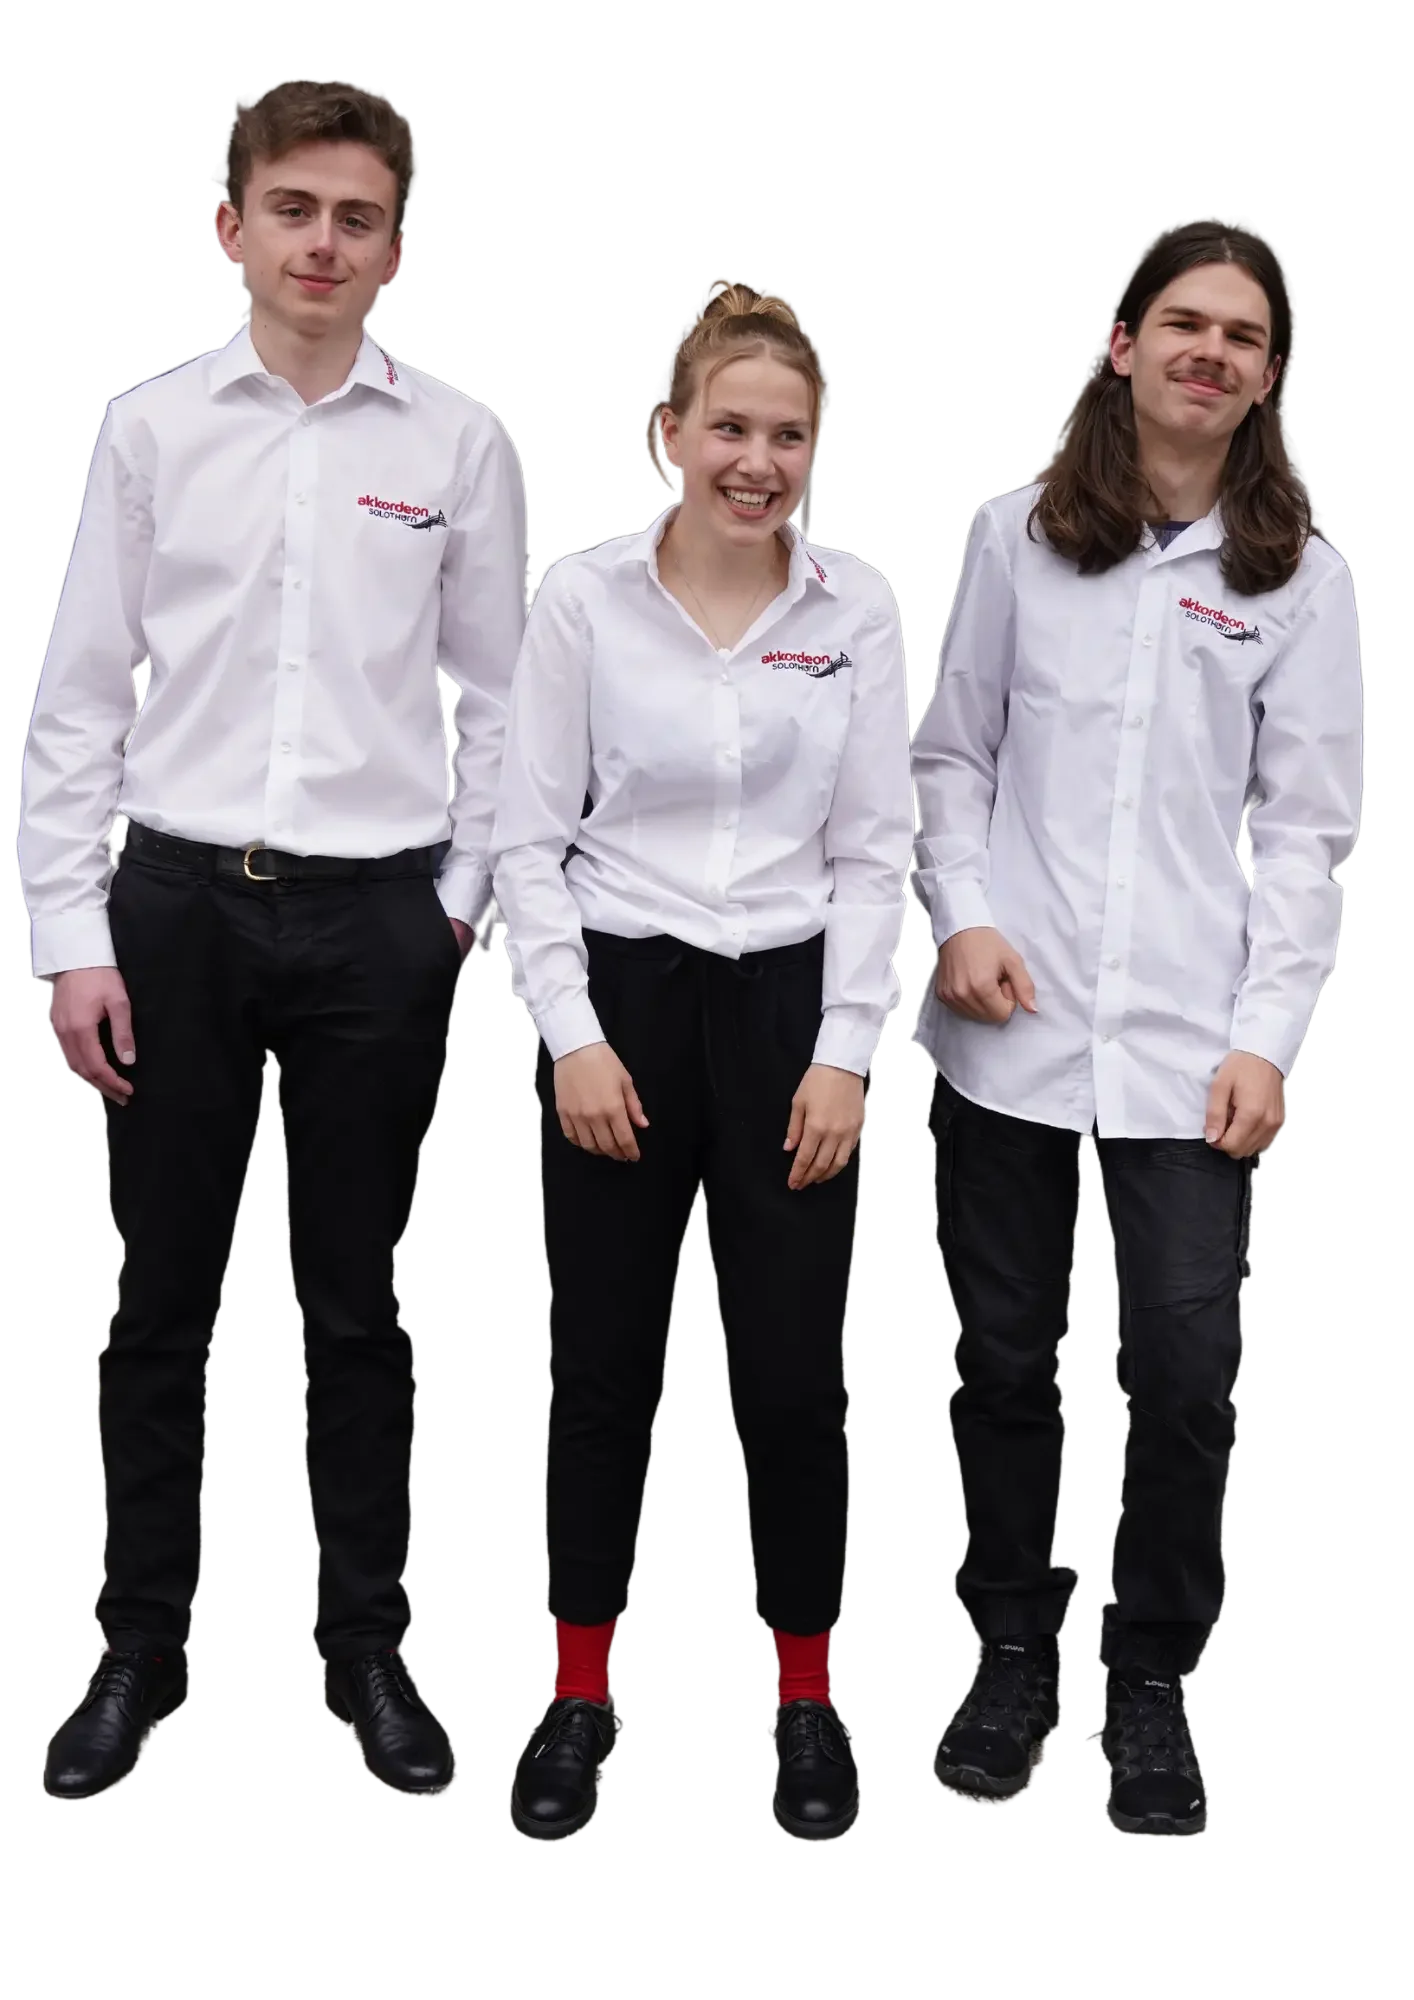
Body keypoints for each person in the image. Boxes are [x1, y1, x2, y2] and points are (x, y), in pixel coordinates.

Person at [24, 76, 527, 1800]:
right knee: (160, 1299)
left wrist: (453, 911)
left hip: (377, 919)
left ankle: (368, 1651)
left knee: (356, 1303)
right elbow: (82, 699)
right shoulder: (152, 431)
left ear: (396, 249)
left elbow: (503, 706)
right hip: (173, 909)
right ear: (231, 227)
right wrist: (71, 936)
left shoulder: (456, 446)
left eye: (357, 218)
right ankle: (137, 1650)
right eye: (294, 210)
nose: (324, 243)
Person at [910, 213, 1365, 1836]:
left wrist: (1265, 1039)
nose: (1206, 354)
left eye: (1240, 337)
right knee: (1003, 1361)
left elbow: (1300, 835)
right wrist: (959, 915)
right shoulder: (1011, 540)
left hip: (1188, 1048)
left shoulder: (1296, 583)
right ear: (1121, 344)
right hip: (1008, 1031)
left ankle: (1154, 1676)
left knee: (1183, 1377)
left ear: (1268, 377)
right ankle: (1009, 1651)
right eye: (1183, 323)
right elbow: (950, 757)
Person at [489, 280, 914, 1842]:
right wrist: (573, 1036)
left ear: (814, 450)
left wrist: (845, 1052)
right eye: (729, 428)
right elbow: (526, 842)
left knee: (792, 1376)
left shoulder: (854, 611)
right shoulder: (583, 601)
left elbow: (872, 851)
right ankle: (577, 1695)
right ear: (669, 432)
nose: (757, 462)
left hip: (789, 1012)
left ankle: (805, 1701)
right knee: (603, 1366)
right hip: (623, 1000)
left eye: (787, 437)